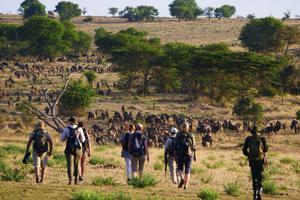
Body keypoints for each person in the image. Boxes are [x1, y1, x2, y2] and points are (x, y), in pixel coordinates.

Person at [243, 126, 268, 200]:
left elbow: (244, 151)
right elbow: (266, 149)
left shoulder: (248, 139)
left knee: (254, 176)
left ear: (251, 132)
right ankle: (259, 191)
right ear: (258, 131)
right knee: (260, 175)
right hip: (260, 160)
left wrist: (249, 155)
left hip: (252, 160)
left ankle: (255, 192)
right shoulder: (262, 138)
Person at [61, 117, 86, 185]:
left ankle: (70, 179)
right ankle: (76, 180)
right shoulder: (79, 129)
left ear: (70, 121)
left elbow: (62, 139)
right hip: (78, 149)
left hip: (69, 148)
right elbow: (83, 140)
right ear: (75, 122)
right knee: (77, 164)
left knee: (69, 165)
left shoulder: (66, 129)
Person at [174, 122, 196, 190]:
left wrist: (175, 155)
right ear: (188, 127)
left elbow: (175, 146)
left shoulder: (178, 135)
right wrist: (194, 155)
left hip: (180, 154)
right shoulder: (191, 135)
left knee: (180, 169)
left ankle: (182, 178)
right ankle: (186, 185)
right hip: (189, 155)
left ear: (182, 127)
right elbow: (194, 146)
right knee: (188, 170)